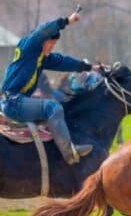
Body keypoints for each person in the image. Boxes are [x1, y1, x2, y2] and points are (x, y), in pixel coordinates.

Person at [0, 13, 101, 165]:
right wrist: (67, 21)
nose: (52, 47)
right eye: (50, 44)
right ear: (41, 41)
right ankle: (69, 153)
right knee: (53, 107)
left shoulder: (42, 58)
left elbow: (63, 61)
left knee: (57, 111)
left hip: (17, 101)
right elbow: (43, 30)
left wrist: (90, 67)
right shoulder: (29, 45)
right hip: (13, 102)